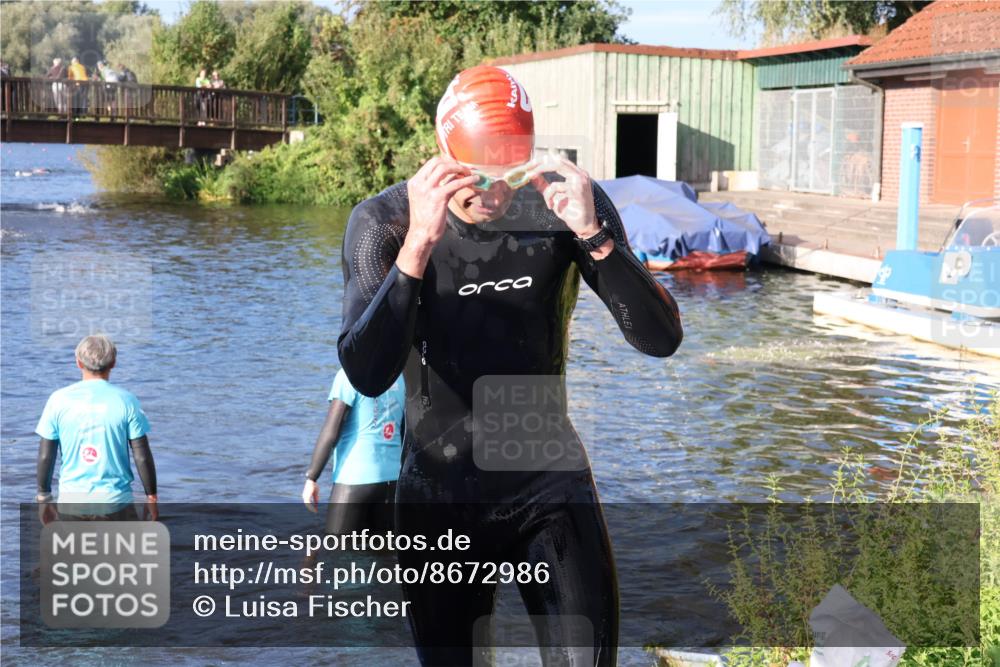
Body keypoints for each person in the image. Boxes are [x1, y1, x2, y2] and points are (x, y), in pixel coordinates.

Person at [337, 65, 683, 666]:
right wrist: (418, 247)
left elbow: (660, 339)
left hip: (548, 485)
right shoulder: (384, 223)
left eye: (508, 176)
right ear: (443, 151)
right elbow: (367, 374)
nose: (493, 196)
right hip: (439, 496)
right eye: (474, 176)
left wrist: (593, 234)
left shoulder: (561, 205)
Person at [35, 334, 157, 522]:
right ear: (113, 363)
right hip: (116, 504)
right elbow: (141, 455)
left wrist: (44, 498)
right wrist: (152, 497)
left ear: (78, 363)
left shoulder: (57, 400)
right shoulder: (127, 400)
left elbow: (46, 456)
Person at [301, 369, 405, 534]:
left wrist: (312, 477)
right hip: (393, 480)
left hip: (354, 481)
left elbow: (332, 431)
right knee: (383, 547)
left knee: (338, 546)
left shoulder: (349, 374)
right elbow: (405, 430)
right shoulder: (399, 376)